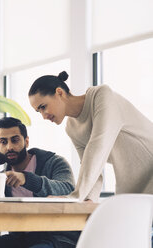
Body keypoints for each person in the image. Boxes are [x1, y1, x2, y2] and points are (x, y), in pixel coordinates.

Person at [0, 117, 79, 248]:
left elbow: (69, 190)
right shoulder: (1, 178)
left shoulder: (54, 162)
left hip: (56, 238)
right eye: (3, 142)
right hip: (21, 239)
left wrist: (27, 179)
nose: (10, 147)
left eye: (15, 140)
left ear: (26, 141)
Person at [28, 71, 153, 202]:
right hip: (133, 185)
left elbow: (98, 146)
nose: (43, 116)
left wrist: (75, 197)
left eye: (43, 107)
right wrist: (87, 200)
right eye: (39, 111)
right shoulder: (72, 128)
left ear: (59, 93)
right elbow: (92, 170)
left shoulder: (102, 96)